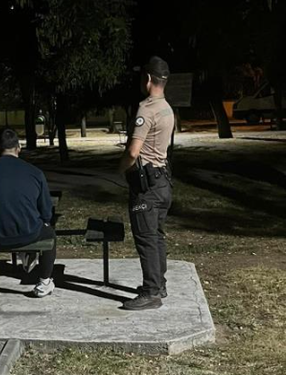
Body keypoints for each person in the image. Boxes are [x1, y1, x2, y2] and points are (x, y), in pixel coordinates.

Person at [117, 56, 174, 310]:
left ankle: (151, 293)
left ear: (148, 79)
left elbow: (132, 151)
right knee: (157, 236)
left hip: (147, 188)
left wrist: (120, 170)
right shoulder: (167, 109)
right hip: (163, 181)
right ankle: (158, 284)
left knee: (146, 238)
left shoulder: (147, 110)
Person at [0, 127, 56, 297]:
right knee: (50, 234)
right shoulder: (35, 172)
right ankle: (44, 281)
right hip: (28, 233)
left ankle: (26, 254)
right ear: (19, 147)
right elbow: (46, 212)